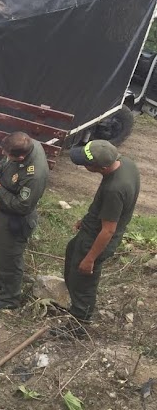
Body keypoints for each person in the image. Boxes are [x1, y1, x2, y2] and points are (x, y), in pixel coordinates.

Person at [51, 140, 140, 339]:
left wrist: (90, 258)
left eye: (86, 164)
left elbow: (108, 230)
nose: (83, 165)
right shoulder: (125, 163)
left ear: (103, 167)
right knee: (72, 256)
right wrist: (87, 219)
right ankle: (76, 307)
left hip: (97, 240)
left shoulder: (115, 189)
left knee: (84, 280)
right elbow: (108, 210)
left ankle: (78, 327)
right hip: (91, 231)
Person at [0, 132, 49, 310]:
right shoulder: (27, 144)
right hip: (6, 213)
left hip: (18, 219)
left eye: (7, 155)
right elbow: (8, 162)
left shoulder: (34, 175)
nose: (4, 156)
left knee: (11, 258)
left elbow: (21, 206)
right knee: (2, 252)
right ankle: (2, 280)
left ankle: (10, 298)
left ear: (21, 156)